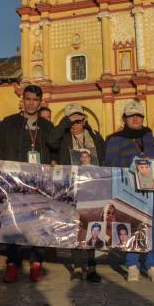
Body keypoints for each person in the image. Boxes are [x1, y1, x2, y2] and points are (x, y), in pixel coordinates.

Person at [0, 84, 57, 282]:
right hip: (14, 181)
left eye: (35, 100)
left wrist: (54, 161)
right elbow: (0, 149)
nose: (31, 103)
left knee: (37, 223)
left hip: (39, 183)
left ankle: (36, 263)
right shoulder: (9, 122)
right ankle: (12, 264)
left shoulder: (47, 126)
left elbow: (54, 150)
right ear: (22, 101)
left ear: (40, 102)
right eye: (28, 99)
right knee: (13, 222)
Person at [104, 100, 154, 282]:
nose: (136, 119)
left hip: (153, 188)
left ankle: (153, 265)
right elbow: (110, 164)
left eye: (138, 116)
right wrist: (132, 165)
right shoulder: (115, 139)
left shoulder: (152, 136)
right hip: (129, 188)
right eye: (131, 116)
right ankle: (132, 265)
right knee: (131, 225)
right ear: (125, 119)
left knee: (153, 226)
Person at [52, 103, 106, 282]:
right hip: (72, 188)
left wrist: (89, 127)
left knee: (92, 226)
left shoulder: (93, 136)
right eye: (71, 121)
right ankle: (77, 267)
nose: (75, 124)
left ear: (84, 120)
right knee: (75, 227)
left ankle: (91, 267)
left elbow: (103, 153)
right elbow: (51, 141)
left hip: (92, 188)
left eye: (79, 120)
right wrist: (64, 125)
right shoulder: (63, 137)